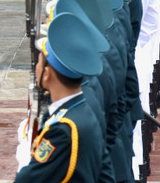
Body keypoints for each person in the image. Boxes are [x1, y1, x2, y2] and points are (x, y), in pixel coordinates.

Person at [14, 12, 105, 182]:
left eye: (39, 63)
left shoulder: (63, 129)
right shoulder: (84, 109)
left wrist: (24, 159)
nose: (37, 68)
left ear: (47, 74)